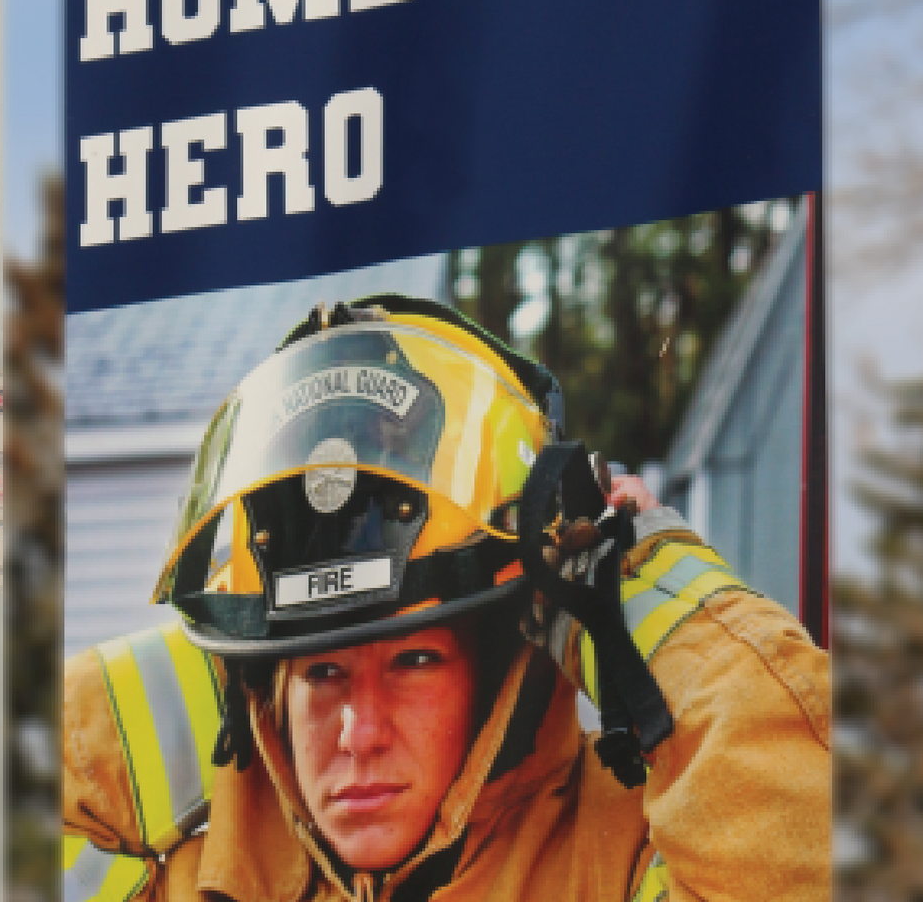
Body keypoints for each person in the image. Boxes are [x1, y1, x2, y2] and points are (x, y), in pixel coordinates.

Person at [63, 296, 829, 902]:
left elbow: (805, 850)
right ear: (267, 686)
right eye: (322, 671)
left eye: (414, 660)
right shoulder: (192, 870)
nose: (360, 735)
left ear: (501, 664)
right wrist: (212, 683)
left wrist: (641, 594)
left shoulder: (625, 856)